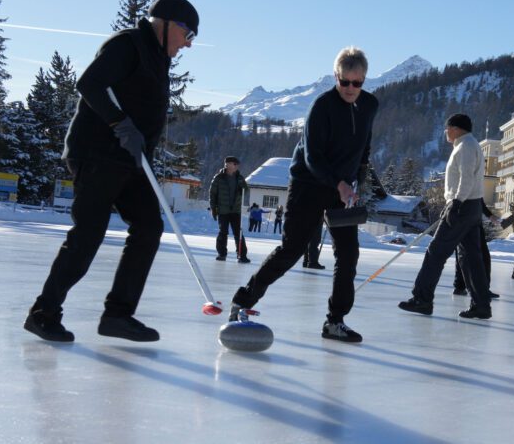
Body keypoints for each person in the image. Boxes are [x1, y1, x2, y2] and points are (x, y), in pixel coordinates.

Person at [23, 0, 199, 342]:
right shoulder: (128, 44)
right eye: (188, 33)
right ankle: (44, 313)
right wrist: (119, 123)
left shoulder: (159, 59)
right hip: (98, 154)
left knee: (149, 227)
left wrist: (142, 149)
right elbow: (89, 84)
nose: (188, 43)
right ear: (166, 24)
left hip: (132, 160)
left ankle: (117, 315)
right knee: (89, 234)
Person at [228, 46, 378, 343]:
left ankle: (335, 321)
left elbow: (364, 146)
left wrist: (358, 181)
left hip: (342, 189)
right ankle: (242, 301)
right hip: (309, 183)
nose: (350, 88)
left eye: (357, 82)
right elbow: (312, 156)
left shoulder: (369, 105)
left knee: (348, 253)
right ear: (336, 76)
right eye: (344, 81)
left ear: (364, 79)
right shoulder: (322, 106)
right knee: (292, 249)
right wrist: (338, 183)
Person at [399, 113, 492, 319]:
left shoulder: (465, 146)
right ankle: (481, 305)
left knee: (436, 252)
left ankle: (422, 299)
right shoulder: (469, 145)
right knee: (471, 258)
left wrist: (456, 201)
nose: (445, 132)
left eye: (447, 128)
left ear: (455, 128)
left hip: (461, 207)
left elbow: (466, 177)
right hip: (471, 207)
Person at [453, 199, 500, 298]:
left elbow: (479, 201)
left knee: (466, 256)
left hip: (474, 222)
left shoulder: (476, 191)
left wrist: (490, 215)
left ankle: (463, 286)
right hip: (463, 221)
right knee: (465, 256)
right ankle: (463, 286)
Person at [210, 156, 250, 263]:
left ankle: (242, 255)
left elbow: (246, 190)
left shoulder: (240, 178)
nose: (236, 166)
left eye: (237, 164)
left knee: (238, 233)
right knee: (223, 232)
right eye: (234, 164)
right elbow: (212, 194)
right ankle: (222, 254)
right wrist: (213, 208)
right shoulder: (218, 178)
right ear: (227, 165)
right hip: (223, 210)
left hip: (236, 211)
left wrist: (243, 188)